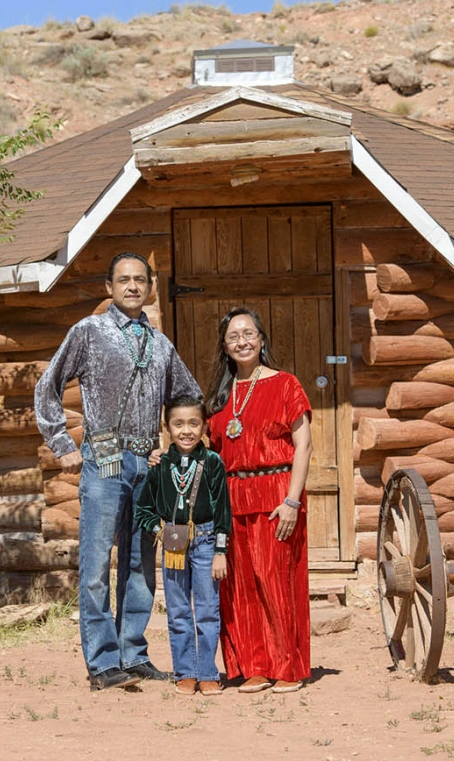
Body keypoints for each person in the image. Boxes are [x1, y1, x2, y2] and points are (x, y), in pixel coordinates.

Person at [35, 252, 201, 692]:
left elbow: (187, 395)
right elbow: (47, 386)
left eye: (140, 280)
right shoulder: (89, 333)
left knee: (142, 563)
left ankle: (133, 652)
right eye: (123, 280)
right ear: (108, 288)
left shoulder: (160, 343)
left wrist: (172, 445)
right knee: (95, 565)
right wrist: (61, 444)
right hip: (103, 461)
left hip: (147, 465)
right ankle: (103, 661)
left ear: (149, 288)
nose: (132, 287)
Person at [205, 307, 313, 694]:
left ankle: (287, 666)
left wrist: (292, 502)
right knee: (240, 586)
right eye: (233, 337)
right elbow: (210, 454)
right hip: (232, 498)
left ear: (262, 339)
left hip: (276, 493)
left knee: (276, 581)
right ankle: (253, 665)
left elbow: (304, 446)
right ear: (225, 346)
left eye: (248, 333)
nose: (242, 342)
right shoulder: (220, 396)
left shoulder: (286, 384)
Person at [135, 395, 231, 697]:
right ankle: (185, 672)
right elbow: (144, 509)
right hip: (173, 544)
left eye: (193, 423)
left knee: (206, 610)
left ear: (203, 426)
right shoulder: (160, 465)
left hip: (204, 542)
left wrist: (220, 552)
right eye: (178, 424)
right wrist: (159, 531)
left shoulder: (213, 463)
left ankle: (207, 672)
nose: (186, 430)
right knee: (177, 611)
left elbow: (223, 513)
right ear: (167, 428)